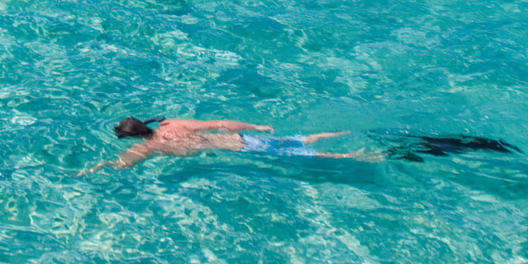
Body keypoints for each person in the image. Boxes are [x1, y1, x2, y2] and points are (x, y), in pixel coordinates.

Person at [83, 116, 374, 171]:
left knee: (309, 155)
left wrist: (97, 167)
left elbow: (121, 164)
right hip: (243, 138)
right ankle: (350, 130)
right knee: (297, 141)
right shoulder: (171, 123)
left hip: (243, 148)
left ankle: (356, 156)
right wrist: (255, 126)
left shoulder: (147, 148)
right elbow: (221, 123)